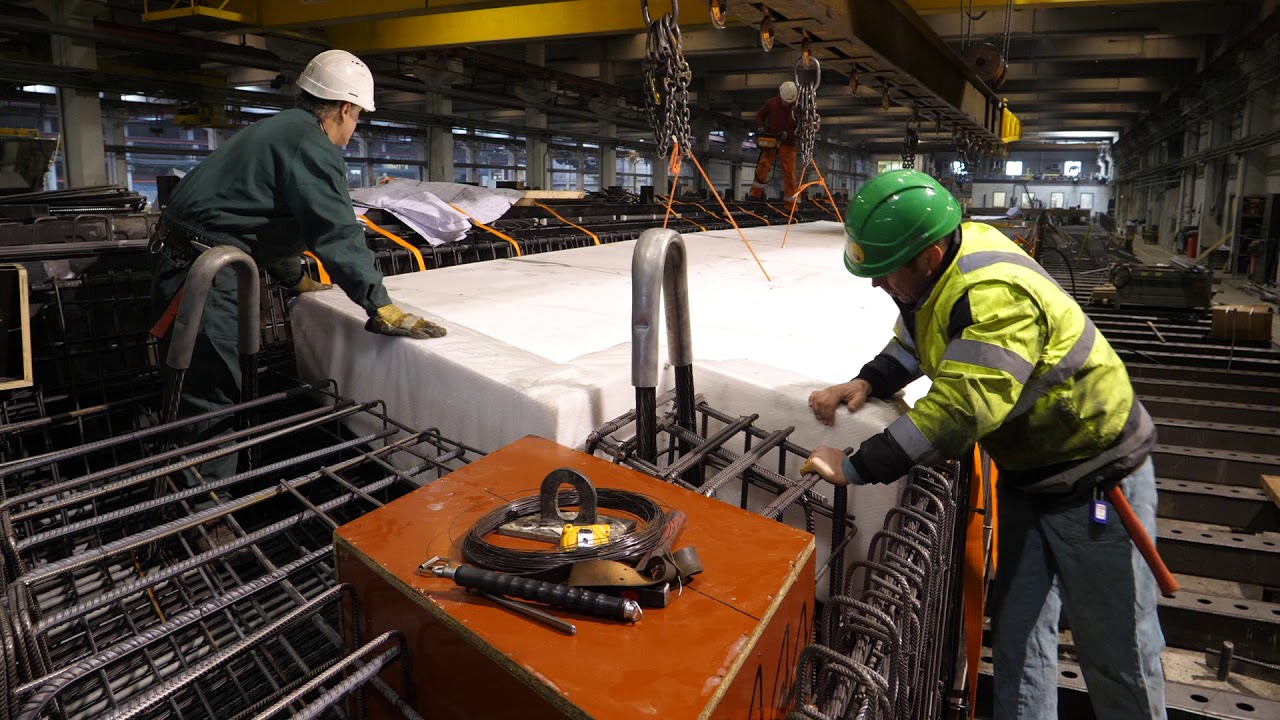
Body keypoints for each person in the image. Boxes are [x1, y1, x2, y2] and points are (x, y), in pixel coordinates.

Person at [803, 170, 1166, 719]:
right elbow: (917, 338)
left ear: (927, 253)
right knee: (1020, 641)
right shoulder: (938, 273)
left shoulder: (993, 297)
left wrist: (853, 465)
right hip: (1030, 479)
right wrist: (868, 381)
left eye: (884, 270)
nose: (876, 284)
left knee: (1116, 649)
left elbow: (958, 411)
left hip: (1096, 479)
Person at [149, 49, 445, 537]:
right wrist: (379, 302)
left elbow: (261, 217)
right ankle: (203, 522)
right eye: (359, 119)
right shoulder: (310, 143)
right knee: (213, 391)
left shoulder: (283, 129)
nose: (355, 131)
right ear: (346, 109)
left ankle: (209, 497)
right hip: (199, 272)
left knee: (214, 384)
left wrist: (293, 277)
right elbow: (334, 229)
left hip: (194, 258)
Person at [749, 81, 800, 207]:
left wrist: (788, 134)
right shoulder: (771, 103)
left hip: (789, 143)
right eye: (785, 100)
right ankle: (755, 195)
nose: (787, 103)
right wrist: (760, 127)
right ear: (780, 95)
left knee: (790, 174)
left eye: (790, 101)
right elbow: (760, 116)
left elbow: (802, 128)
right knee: (763, 166)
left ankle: (791, 206)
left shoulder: (798, 108)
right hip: (772, 141)